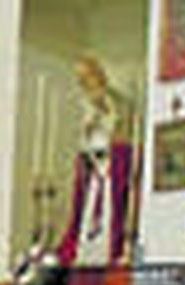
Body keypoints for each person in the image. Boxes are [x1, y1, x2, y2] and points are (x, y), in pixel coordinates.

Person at [56, 55, 134, 267]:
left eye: (86, 76)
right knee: (87, 211)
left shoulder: (116, 100)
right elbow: (85, 136)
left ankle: (109, 249)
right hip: (93, 166)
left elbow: (120, 131)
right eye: (80, 78)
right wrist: (87, 132)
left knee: (107, 211)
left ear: (97, 74)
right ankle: (85, 250)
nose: (83, 82)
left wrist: (103, 123)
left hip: (108, 166)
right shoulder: (86, 103)